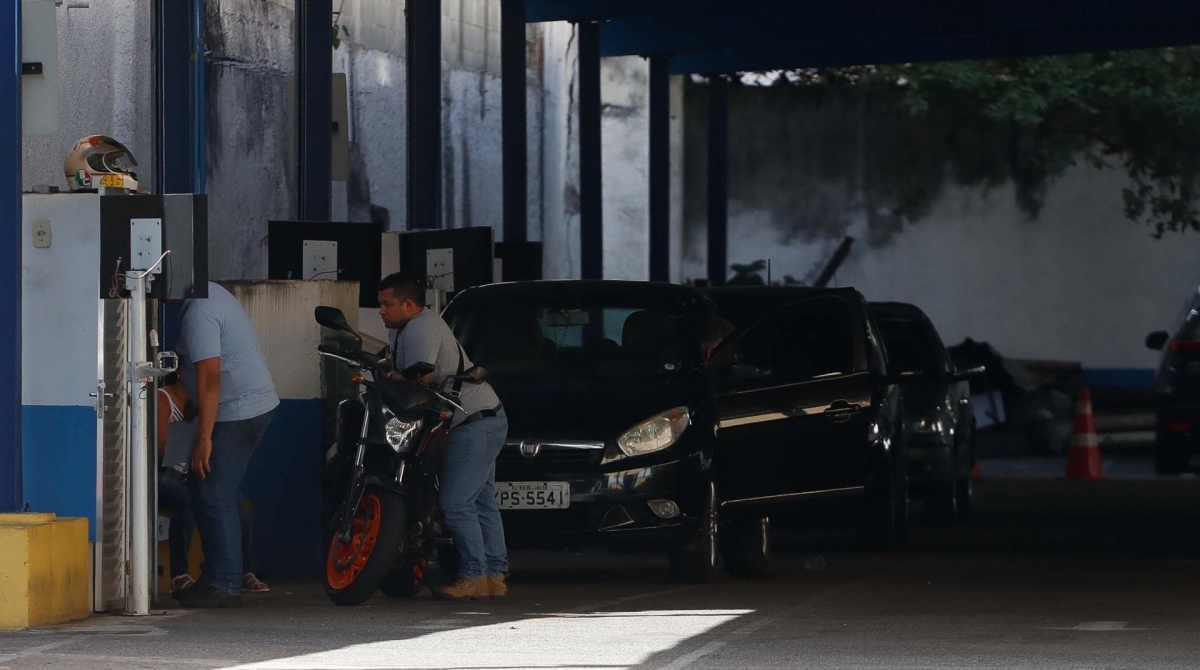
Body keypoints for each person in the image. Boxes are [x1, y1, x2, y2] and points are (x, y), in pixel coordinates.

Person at [378, 272, 509, 601]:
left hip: (473, 421)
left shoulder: (421, 326)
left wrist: (387, 374)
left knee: (455, 504)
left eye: (387, 304)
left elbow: (419, 374)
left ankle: (473, 578)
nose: (381, 311)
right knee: (481, 503)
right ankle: (495, 576)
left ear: (409, 304)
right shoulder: (408, 327)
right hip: (487, 416)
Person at [173, 281, 279, 608]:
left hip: (238, 409)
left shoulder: (200, 311)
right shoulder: (211, 293)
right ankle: (216, 575)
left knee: (213, 490)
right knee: (210, 486)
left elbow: (210, 378)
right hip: (244, 405)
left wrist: (203, 439)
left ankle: (223, 581)